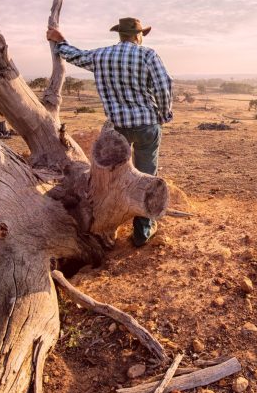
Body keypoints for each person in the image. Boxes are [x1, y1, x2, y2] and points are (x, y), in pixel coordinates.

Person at [46, 17, 173, 246]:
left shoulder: (101, 55)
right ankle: (143, 231)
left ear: (120, 35)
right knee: (146, 174)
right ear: (138, 36)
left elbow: (74, 55)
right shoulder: (147, 55)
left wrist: (59, 41)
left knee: (116, 177)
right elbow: (164, 86)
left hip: (118, 129)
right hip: (146, 125)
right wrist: (164, 114)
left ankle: (108, 221)